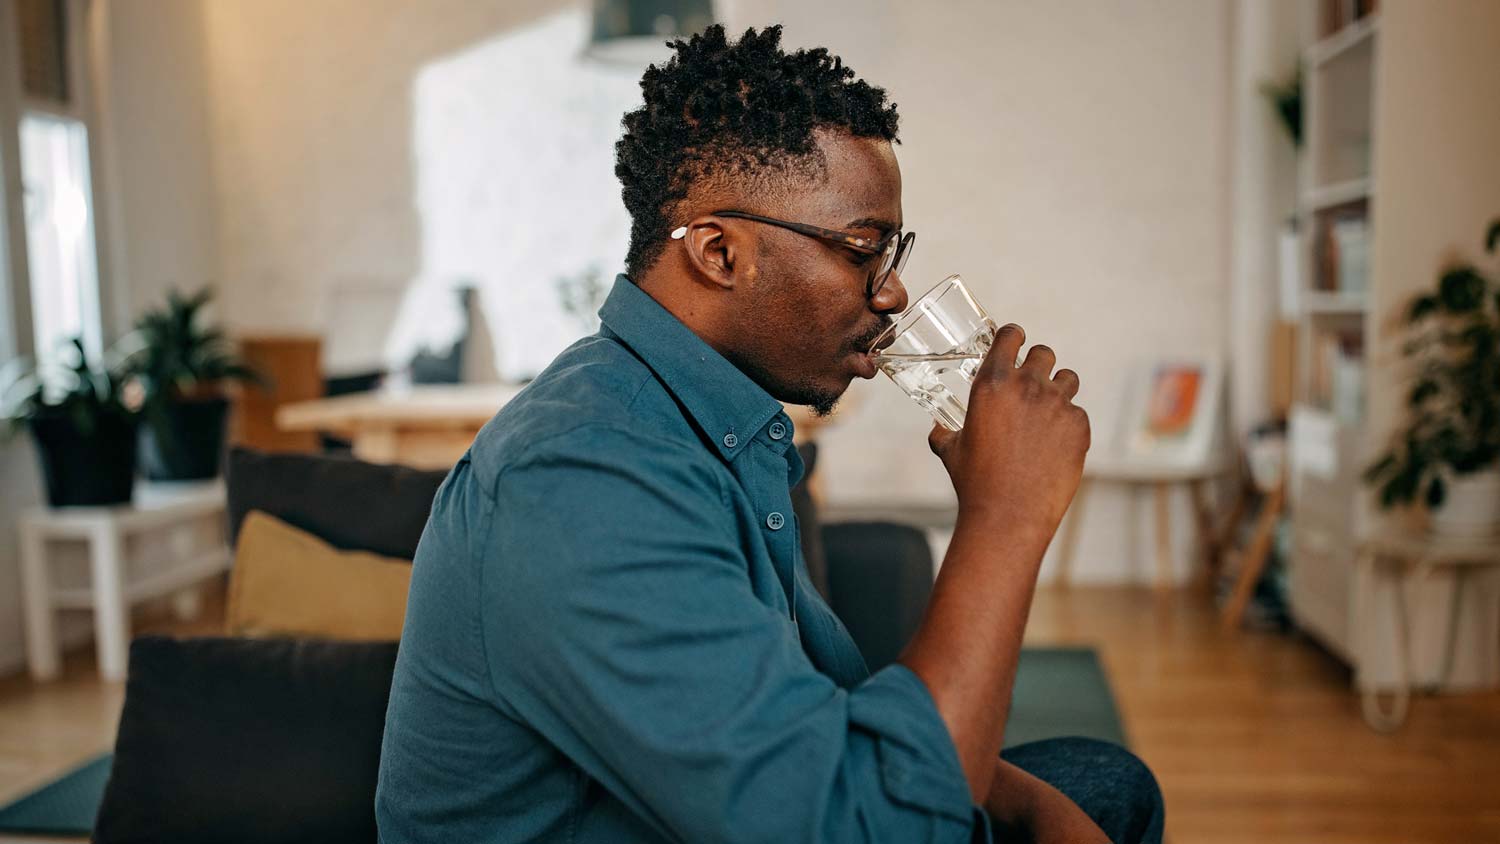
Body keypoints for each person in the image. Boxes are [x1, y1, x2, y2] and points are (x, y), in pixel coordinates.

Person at [376, 24, 1163, 844]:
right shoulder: (582, 476)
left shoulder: (704, 422)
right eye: (863, 248)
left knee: (1101, 785)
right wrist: (1005, 518)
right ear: (720, 253)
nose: (892, 294)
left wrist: (1027, 801)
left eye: (892, 251)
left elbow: (814, 700)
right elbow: (867, 830)